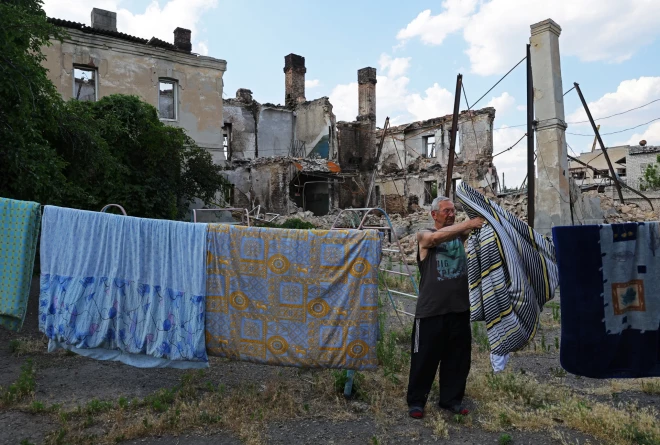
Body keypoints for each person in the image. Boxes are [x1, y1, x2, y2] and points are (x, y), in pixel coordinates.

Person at [407, 196, 484, 419]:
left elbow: (476, 228)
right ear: (434, 214)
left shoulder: (459, 236)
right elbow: (433, 239)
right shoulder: (424, 235)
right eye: (446, 211)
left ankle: (451, 400)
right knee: (424, 359)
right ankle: (416, 402)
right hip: (431, 311)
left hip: (459, 309)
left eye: (453, 211)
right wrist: (469, 223)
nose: (451, 214)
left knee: (458, 359)